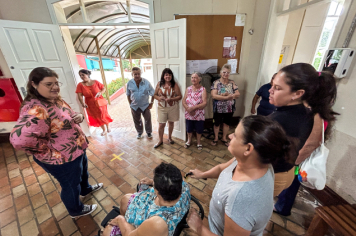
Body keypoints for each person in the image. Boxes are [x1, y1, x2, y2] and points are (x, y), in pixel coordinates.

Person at [10, 67, 103, 218]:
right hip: (62, 159)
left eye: (56, 83)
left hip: (76, 149)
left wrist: (78, 116)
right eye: (48, 84)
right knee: (70, 186)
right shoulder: (37, 109)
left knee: (82, 173)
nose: (55, 87)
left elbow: (69, 114)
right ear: (34, 84)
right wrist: (47, 151)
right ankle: (76, 210)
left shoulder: (54, 100)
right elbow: (19, 140)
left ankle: (86, 189)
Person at [186, 116, 294, 236]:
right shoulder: (256, 162)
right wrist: (202, 174)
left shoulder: (242, 198)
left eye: (236, 135)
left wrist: (199, 227)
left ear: (248, 148)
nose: (229, 136)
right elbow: (223, 168)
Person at [269, 63, 337, 216]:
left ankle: (283, 207)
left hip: (294, 160)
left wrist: (293, 161)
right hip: (291, 159)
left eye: (278, 88)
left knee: (290, 185)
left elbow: (312, 142)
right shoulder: (301, 110)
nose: (272, 90)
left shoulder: (313, 112)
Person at [102, 163, 191, 236]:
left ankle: (124, 223)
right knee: (125, 199)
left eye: (154, 184)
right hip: (148, 208)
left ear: (156, 191)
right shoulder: (183, 186)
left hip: (141, 228)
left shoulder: (158, 223)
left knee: (107, 231)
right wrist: (152, 182)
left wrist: (120, 219)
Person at [76, 69, 113, 136]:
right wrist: (82, 103)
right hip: (90, 103)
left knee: (103, 114)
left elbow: (103, 88)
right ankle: (103, 130)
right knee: (97, 116)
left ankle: (108, 127)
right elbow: (80, 95)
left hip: (100, 101)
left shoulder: (95, 82)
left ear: (87, 74)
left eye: (83, 75)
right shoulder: (80, 85)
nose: (81, 76)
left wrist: (100, 92)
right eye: (80, 75)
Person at [211, 64, 240, 147]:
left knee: (226, 124)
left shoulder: (232, 83)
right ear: (220, 73)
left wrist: (229, 95)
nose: (226, 74)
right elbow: (214, 95)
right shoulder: (216, 83)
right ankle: (216, 138)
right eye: (224, 72)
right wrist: (228, 97)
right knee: (216, 124)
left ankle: (224, 138)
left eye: (228, 72)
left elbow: (237, 94)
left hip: (229, 108)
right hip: (218, 108)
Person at [153, 68, 182, 148]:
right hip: (162, 108)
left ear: (171, 76)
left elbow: (180, 96)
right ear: (163, 76)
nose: (168, 76)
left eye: (169, 75)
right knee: (161, 124)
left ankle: (169, 137)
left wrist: (171, 99)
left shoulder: (174, 84)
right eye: (166, 75)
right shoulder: (159, 84)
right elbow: (154, 95)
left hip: (172, 107)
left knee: (171, 123)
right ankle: (160, 140)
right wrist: (159, 98)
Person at [126, 67, 155, 139]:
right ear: (132, 74)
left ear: (140, 73)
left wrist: (151, 103)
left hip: (145, 106)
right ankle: (139, 132)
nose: (137, 75)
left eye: (138, 73)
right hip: (134, 106)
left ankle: (149, 132)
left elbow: (153, 93)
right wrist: (130, 104)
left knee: (147, 120)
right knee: (137, 120)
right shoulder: (130, 83)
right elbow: (128, 94)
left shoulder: (146, 82)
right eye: (135, 74)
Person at [182, 72, 207, 150]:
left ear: (199, 79)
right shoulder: (188, 89)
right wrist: (188, 108)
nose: (193, 79)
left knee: (199, 129)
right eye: (192, 77)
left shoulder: (203, 89)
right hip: (189, 113)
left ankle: (199, 142)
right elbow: (183, 100)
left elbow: (204, 103)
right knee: (189, 129)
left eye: (195, 77)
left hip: (199, 114)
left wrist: (194, 108)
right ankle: (189, 141)